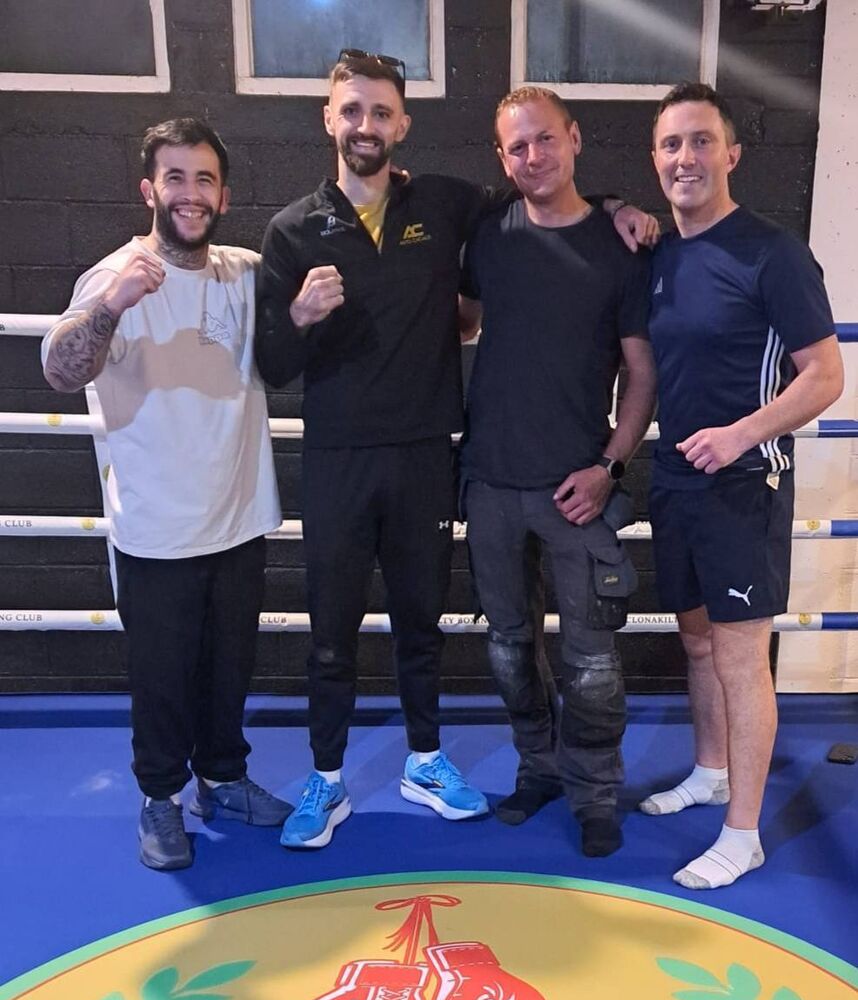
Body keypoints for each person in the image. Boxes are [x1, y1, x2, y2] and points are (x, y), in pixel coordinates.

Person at [255, 52, 655, 851]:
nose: (365, 125)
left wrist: (620, 203)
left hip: (430, 458)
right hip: (346, 457)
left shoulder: (445, 204)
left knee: (427, 628)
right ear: (329, 120)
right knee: (335, 631)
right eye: (352, 111)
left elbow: (544, 202)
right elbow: (271, 367)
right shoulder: (292, 228)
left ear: (403, 124)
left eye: (381, 113)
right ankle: (327, 778)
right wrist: (298, 317)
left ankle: (428, 759)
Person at [42, 118, 288, 871]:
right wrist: (111, 304)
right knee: (161, 678)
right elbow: (57, 368)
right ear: (150, 188)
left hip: (239, 516)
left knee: (229, 667)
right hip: (154, 528)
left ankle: (223, 776)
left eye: (204, 179)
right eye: (175, 178)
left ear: (224, 192)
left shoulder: (244, 270)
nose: (191, 193)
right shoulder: (114, 275)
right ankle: (160, 797)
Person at [643, 83, 843, 888]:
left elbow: (826, 375)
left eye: (699, 141)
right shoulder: (661, 254)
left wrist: (740, 436)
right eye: (670, 145)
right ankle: (712, 769)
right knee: (695, 640)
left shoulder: (774, 252)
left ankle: (745, 829)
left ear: (732, 154)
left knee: (738, 655)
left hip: (744, 482)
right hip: (675, 476)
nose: (685, 158)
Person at [458, 87, 657, 856]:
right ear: (501, 157)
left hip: (578, 488)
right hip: (491, 482)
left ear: (573, 139)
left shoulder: (621, 246)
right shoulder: (488, 233)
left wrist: (611, 465)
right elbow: (465, 317)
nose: (532, 157)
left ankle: (595, 793)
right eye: (517, 147)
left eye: (545, 140)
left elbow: (642, 374)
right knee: (509, 649)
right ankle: (537, 769)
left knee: (593, 662)